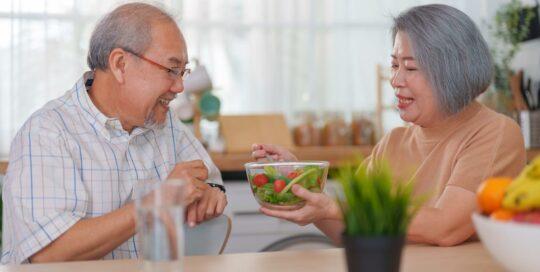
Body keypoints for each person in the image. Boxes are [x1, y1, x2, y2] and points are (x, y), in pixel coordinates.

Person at [252, 4, 526, 247]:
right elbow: (350, 232)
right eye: (394, 65)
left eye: (410, 67)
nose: (395, 79)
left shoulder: (494, 132)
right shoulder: (393, 142)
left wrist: (335, 207)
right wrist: (304, 190)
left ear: (452, 69)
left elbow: (445, 227)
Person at [1, 3, 227, 264]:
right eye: (171, 70)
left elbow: (209, 179)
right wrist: (156, 201)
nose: (179, 86)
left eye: (182, 72)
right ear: (120, 64)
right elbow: (49, 254)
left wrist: (210, 192)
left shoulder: (165, 122)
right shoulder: (46, 133)